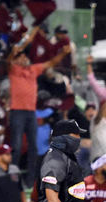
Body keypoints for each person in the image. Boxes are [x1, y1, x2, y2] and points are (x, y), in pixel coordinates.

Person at [8, 35, 71, 184]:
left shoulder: (33, 69)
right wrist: (13, 52)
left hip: (30, 112)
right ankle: (12, 174)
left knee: (33, 146)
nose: (23, 59)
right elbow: (8, 62)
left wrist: (63, 53)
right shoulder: (13, 70)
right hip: (17, 111)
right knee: (16, 145)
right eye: (20, 57)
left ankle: (30, 180)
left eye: (24, 57)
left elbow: (51, 63)